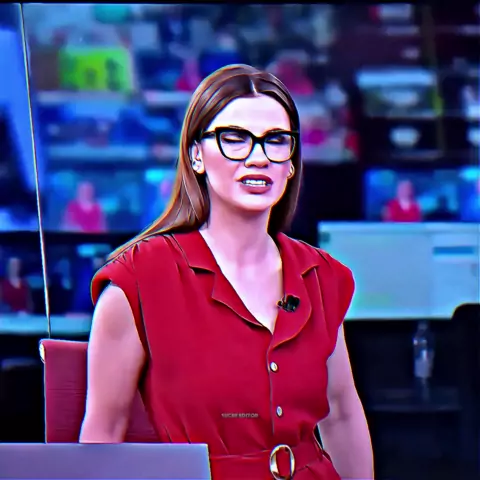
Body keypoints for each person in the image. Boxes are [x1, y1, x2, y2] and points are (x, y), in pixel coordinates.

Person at [81, 64, 373, 480]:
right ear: (196, 155)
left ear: (291, 163)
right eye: (235, 139)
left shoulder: (321, 276)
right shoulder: (139, 279)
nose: (258, 157)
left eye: (276, 141)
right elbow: (103, 435)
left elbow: (341, 414)